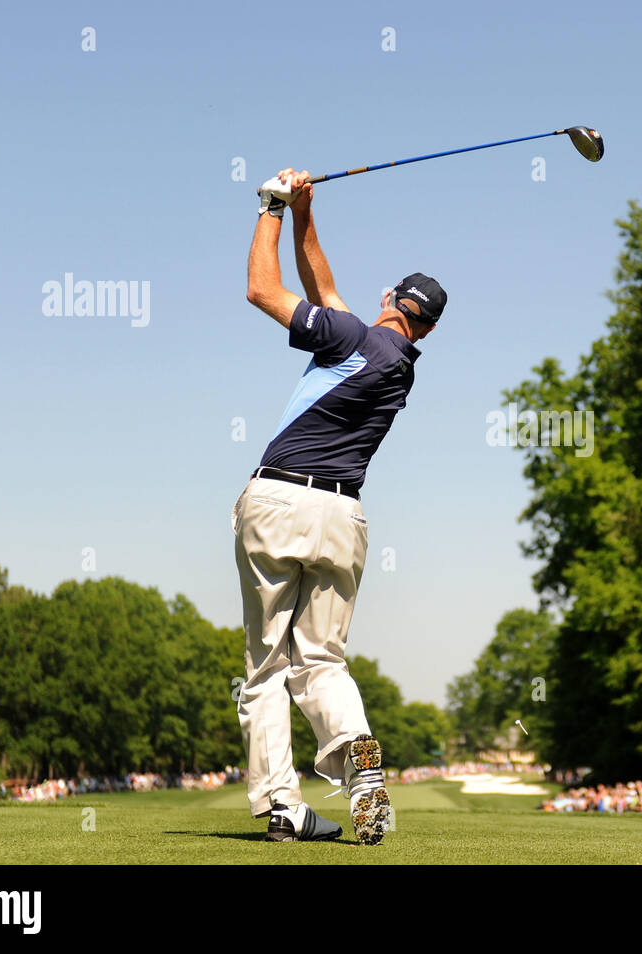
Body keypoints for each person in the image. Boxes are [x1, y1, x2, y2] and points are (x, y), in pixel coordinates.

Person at [235, 168, 448, 844]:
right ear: (427, 328)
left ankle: (282, 807)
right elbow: (322, 284)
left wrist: (269, 206)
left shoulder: (349, 337)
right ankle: (358, 760)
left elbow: (262, 290)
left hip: (277, 500)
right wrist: (305, 214)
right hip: (343, 518)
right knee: (322, 660)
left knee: (268, 664)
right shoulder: (393, 358)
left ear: (387, 297)